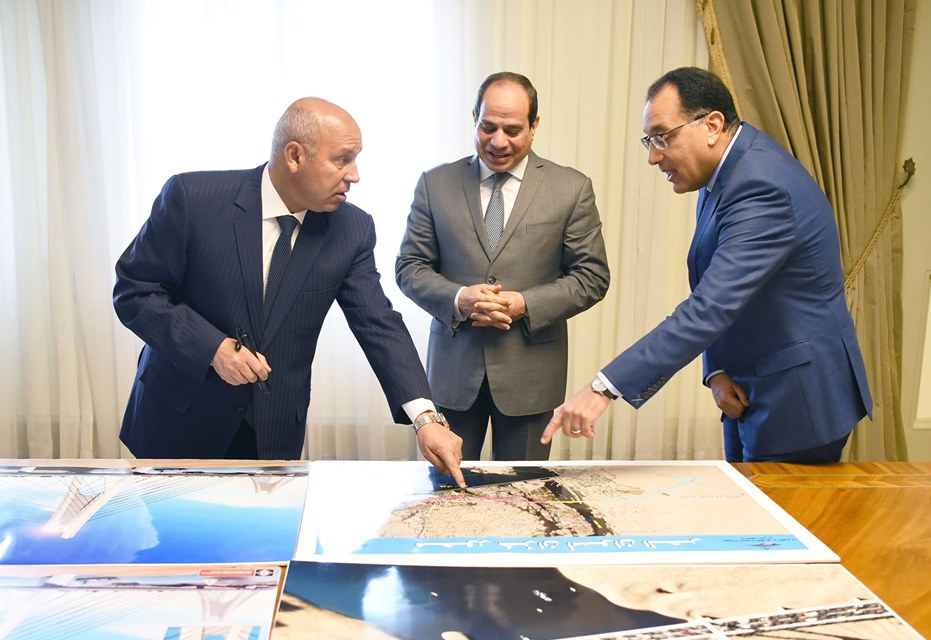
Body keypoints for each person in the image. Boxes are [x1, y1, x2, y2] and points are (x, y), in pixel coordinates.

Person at [115, 97, 465, 485]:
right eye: (342, 160)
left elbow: (378, 324)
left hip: (271, 436)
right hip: (178, 423)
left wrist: (425, 418)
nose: (355, 175)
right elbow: (135, 291)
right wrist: (213, 349)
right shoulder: (192, 197)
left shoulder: (352, 229)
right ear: (295, 156)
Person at [542, 67, 873, 463]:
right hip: (745, 388)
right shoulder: (723, 173)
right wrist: (716, 371)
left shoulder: (762, 185)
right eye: (649, 140)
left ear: (712, 125)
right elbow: (718, 285)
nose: (653, 156)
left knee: (771, 506)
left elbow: (710, 307)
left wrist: (604, 387)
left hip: (799, 399)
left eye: (662, 137)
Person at [396, 71, 610, 461]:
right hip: (452, 375)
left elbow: (591, 277)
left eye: (512, 130)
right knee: (447, 489)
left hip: (531, 377)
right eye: (488, 127)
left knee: (524, 491)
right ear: (474, 118)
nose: (498, 141)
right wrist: (460, 298)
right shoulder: (434, 184)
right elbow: (410, 266)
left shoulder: (571, 188)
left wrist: (524, 303)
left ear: (534, 126)